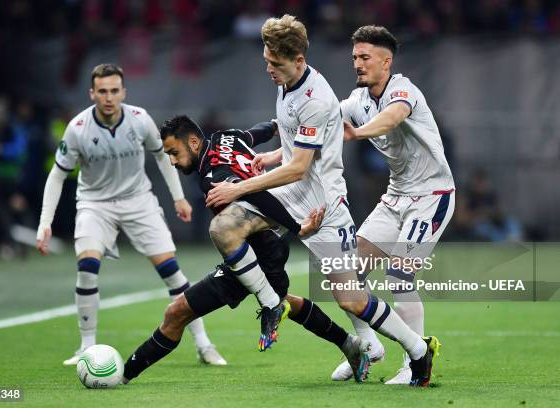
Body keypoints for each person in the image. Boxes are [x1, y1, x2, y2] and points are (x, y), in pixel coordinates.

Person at [205, 15, 439, 387]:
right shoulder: (289, 82)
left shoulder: (320, 97)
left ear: (298, 61)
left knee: (351, 296)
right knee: (224, 227)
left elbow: (300, 167)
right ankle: (271, 304)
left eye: (275, 63)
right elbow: (294, 136)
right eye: (266, 60)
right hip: (293, 195)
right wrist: (270, 155)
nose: (268, 68)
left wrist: (239, 187)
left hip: (323, 205)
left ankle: (415, 350)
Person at [121, 115, 370, 384]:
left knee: (179, 312)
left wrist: (297, 228)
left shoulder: (213, 177)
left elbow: (254, 193)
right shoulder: (226, 137)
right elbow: (256, 133)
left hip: (260, 248)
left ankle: (122, 376)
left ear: (193, 142)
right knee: (284, 302)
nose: (171, 160)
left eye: (174, 152)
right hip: (259, 247)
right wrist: (276, 125)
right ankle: (349, 344)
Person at [35, 63, 225, 366]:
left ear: (123, 92)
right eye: (102, 91)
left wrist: (179, 198)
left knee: (172, 273)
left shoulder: (139, 120)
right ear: (92, 93)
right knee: (86, 266)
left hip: (139, 201)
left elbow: (164, 157)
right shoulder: (77, 129)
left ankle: (204, 344)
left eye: (114, 91)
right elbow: (57, 175)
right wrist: (45, 223)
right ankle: (86, 347)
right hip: (95, 204)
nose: (108, 97)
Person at [334, 25, 455, 384]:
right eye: (355, 56)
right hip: (396, 196)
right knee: (346, 276)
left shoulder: (403, 90)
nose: (357, 63)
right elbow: (321, 123)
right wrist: (274, 150)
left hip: (432, 197)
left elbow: (393, 116)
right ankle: (369, 347)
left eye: (365, 57)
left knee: (399, 276)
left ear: (386, 61)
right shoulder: (358, 101)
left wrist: (358, 132)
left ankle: (412, 364)